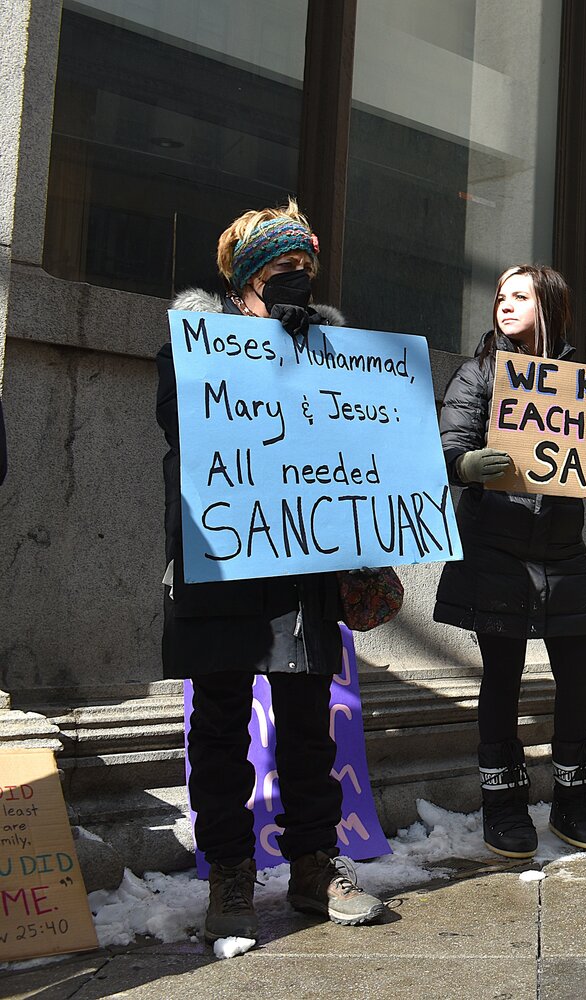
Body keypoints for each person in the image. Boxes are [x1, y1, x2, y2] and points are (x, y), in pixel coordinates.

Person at [158, 202, 386, 942]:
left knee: (307, 726)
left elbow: (359, 446)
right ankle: (229, 872)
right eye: (283, 267)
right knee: (220, 725)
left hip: (300, 566)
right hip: (223, 562)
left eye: (305, 267)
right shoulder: (193, 337)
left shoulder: (330, 347)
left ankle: (314, 865)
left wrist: (307, 361)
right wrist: (259, 358)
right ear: (249, 275)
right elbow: (181, 423)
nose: (298, 278)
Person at [435, 264, 586, 858]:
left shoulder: (581, 382)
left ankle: (575, 799)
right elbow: (448, 446)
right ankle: (503, 805)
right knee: (502, 678)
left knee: (578, 679)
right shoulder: (479, 372)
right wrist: (465, 465)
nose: (504, 304)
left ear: (549, 305)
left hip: (563, 550)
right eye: (501, 296)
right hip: (496, 548)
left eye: (519, 296)